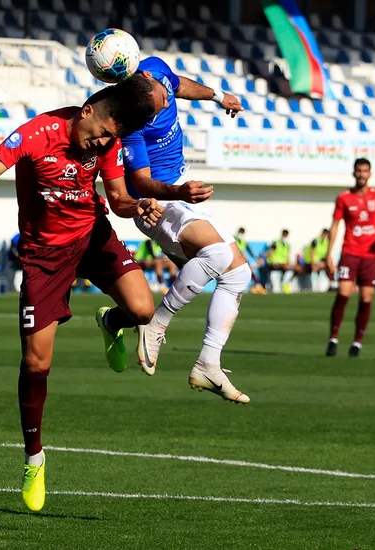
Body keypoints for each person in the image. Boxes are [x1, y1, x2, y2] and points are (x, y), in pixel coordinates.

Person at [0, 80, 161, 512]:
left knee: (144, 309)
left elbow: (119, 198)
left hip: (92, 236)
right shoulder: (34, 134)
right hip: (44, 257)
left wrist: (138, 206)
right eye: (103, 131)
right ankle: (34, 458)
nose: (104, 142)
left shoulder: (107, 140)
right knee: (37, 362)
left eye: (111, 137)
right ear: (86, 111)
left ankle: (112, 322)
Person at [120, 63, 251, 404]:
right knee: (219, 255)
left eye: (162, 99)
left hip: (182, 195)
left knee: (239, 273)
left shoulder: (156, 70)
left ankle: (209, 362)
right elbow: (141, 182)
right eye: (155, 107)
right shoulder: (132, 120)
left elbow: (180, 86)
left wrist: (219, 96)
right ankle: (155, 323)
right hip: (157, 203)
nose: (163, 106)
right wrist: (176, 193)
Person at [325, 158, 375, 358]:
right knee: (343, 294)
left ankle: (357, 343)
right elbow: (335, 225)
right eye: (358, 171)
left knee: (366, 298)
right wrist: (329, 254)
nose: (361, 174)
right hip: (349, 253)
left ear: (369, 173)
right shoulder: (344, 198)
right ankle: (333, 339)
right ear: (354, 173)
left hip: (370, 257)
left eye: (365, 171)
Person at [234, 227, 266, 294]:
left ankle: (257, 286)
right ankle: (256, 285)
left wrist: (257, 258)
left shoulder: (243, 241)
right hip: (234, 258)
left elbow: (249, 251)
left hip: (242, 259)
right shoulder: (233, 239)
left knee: (249, 271)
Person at [264, 229, 295, 293]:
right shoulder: (276, 243)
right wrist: (273, 261)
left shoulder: (287, 244)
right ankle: (276, 287)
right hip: (273, 263)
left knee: (291, 270)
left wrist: (288, 263)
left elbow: (287, 255)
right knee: (276, 273)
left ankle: (284, 284)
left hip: (282, 263)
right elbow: (270, 253)